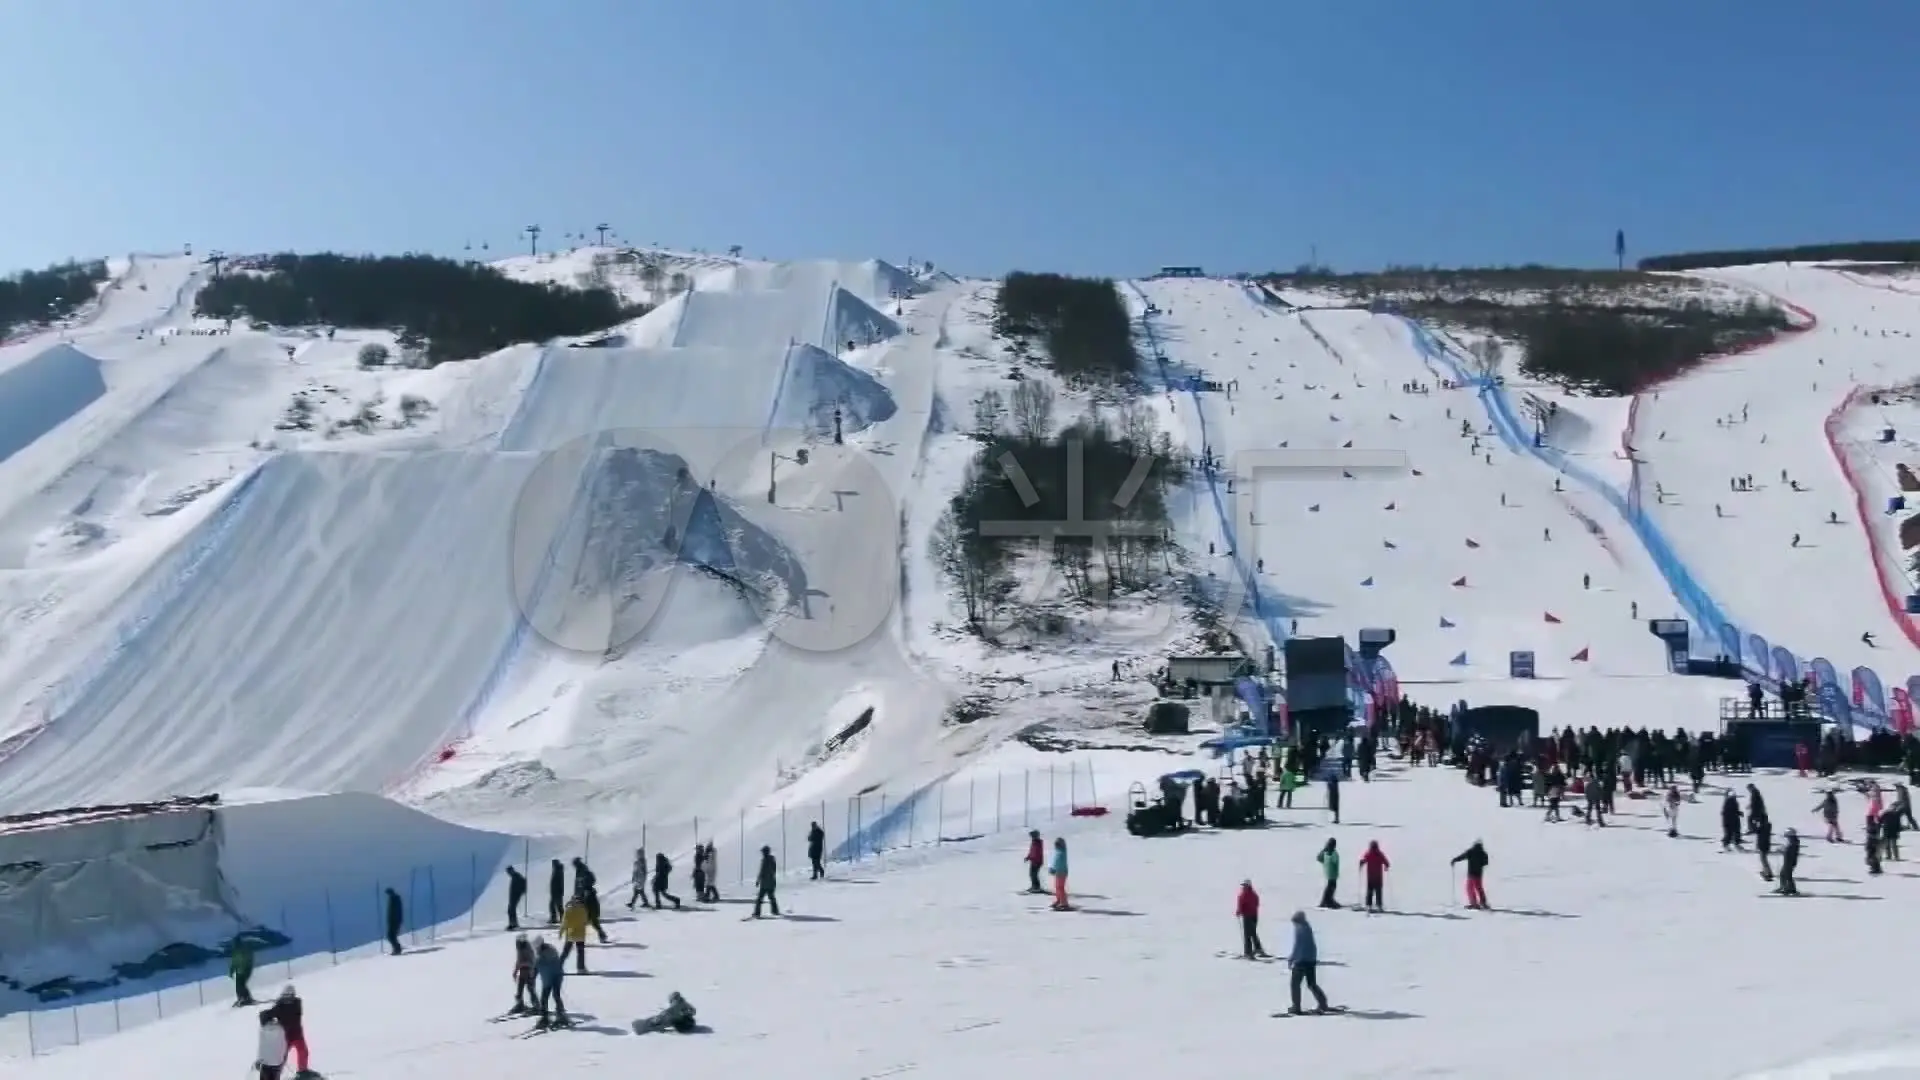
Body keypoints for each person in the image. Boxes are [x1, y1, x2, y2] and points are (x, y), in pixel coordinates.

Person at [1286, 911, 1332, 1014]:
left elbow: (1298, 945)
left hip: (1302, 961)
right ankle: (1323, 1003)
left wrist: (1292, 959)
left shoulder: (1300, 929)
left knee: (1295, 984)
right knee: (1312, 984)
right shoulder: (1307, 927)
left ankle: (1296, 1007)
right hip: (1311, 959)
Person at [264, 985, 309, 1075]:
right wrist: (265, 1015)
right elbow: (267, 1015)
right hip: (285, 1037)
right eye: (286, 997)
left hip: (297, 1035)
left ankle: (303, 1072)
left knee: (303, 1052)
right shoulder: (279, 1007)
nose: (288, 999)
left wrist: (278, 1006)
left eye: (290, 997)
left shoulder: (296, 1004)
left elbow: (292, 1015)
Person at [533, 937, 570, 1029]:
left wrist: (534, 975)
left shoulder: (547, 953)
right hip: (549, 978)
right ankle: (547, 1016)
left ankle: (559, 1014)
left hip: (554, 977)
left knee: (554, 995)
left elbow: (539, 966)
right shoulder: (542, 954)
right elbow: (536, 969)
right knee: (547, 997)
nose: (536, 949)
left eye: (537, 948)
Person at [633, 991, 698, 1034]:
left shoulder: (679, 1004)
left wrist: (685, 1014)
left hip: (683, 1024)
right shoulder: (683, 1003)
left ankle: (646, 1027)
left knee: (663, 1022)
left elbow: (666, 1012)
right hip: (683, 1022)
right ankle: (647, 1026)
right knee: (663, 1020)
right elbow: (693, 1011)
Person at [1451, 840, 1490, 909]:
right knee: (1479, 888)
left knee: (1469, 888)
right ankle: (1483, 902)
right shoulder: (1483, 853)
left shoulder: (1471, 851)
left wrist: (1454, 860)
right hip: (1479, 874)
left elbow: (1462, 857)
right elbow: (1486, 863)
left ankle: (1474, 903)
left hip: (1471, 874)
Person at [560, 895, 591, 973]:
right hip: (580, 934)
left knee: (565, 952)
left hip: (570, 934)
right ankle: (580, 968)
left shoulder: (568, 910)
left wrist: (561, 932)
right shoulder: (583, 910)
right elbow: (586, 921)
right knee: (580, 952)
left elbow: (564, 923)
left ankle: (558, 967)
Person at [1236, 880, 1266, 959]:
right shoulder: (1253, 894)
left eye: (1245, 885)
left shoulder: (1244, 895)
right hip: (1254, 916)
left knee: (1247, 934)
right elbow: (1256, 904)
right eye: (1243, 885)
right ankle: (1258, 949)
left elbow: (1241, 905)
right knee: (1252, 933)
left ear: (1248, 886)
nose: (1243, 887)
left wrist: (1239, 912)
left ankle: (1248, 952)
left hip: (1248, 916)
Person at [256, 1010, 290, 1080]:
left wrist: (259, 1060)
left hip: (265, 1063)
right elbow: (283, 1045)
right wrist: (283, 1059)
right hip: (277, 1062)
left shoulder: (263, 1030)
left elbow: (262, 1047)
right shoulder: (281, 1029)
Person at [1358, 840, 1389, 912]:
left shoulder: (1368, 854)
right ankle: (1379, 906)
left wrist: (1361, 864)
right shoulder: (1380, 854)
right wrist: (1386, 866)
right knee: (1378, 892)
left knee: (1370, 891)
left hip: (1370, 877)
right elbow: (1386, 862)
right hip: (1378, 877)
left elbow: (1363, 860)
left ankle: (1369, 905)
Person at [511, 933, 537, 1014]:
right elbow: (519, 960)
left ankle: (536, 1005)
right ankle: (520, 1004)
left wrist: (526, 967)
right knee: (520, 988)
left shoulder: (528, 949)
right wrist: (515, 971)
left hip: (529, 971)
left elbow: (532, 962)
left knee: (530, 989)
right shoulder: (519, 948)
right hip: (522, 971)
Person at [752, 845, 780, 918]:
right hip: (770, 882)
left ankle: (757, 912)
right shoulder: (771, 860)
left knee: (760, 899)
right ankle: (775, 910)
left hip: (766, 883)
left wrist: (758, 880)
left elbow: (762, 872)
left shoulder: (766, 861)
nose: (762, 853)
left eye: (763, 852)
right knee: (771, 897)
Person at [1316, 838, 1341, 909]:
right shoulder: (1334, 853)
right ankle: (1328, 901)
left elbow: (1319, 858)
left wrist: (1324, 851)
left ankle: (1327, 900)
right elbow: (1335, 861)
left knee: (1330, 887)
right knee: (1331, 887)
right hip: (1333, 873)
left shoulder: (1325, 852)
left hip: (1329, 873)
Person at [230, 940, 256, 1006]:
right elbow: (234, 963)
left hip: (245, 970)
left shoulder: (244, 951)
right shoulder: (235, 953)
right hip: (239, 971)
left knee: (241, 984)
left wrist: (244, 969)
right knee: (238, 985)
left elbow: (246, 961)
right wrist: (231, 971)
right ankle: (241, 998)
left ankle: (246, 998)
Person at [1776, 828, 1801, 896]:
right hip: (1789, 861)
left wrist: (1783, 851)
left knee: (1787, 875)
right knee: (1783, 874)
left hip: (1790, 862)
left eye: (1787, 836)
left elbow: (1789, 852)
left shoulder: (1793, 843)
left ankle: (1791, 889)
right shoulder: (1793, 842)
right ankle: (1783, 887)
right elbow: (1788, 850)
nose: (1787, 838)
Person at [1049, 837, 1070, 911]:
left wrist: (1053, 869)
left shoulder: (1061, 853)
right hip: (1059, 872)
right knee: (1057, 887)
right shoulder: (1058, 851)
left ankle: (1064, 903)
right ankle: (1059, 900)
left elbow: (1058, 863)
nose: (1056, 845)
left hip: (1061, 872)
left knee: (1060, 887)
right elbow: (1056, 862)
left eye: (1057, 844)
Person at [505, 866, 527, 930]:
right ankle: (513, 923)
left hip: (515, 896)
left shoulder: (517, 876)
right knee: (511, 910)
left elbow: (523, 883)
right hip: (513, 896)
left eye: (508, 872)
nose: (508, 873)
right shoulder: (515, 876)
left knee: (511, 910)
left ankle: (513, 924)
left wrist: (519, 892)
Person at [384, 887, 405, 955]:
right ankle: (396, 949)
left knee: (391, 936)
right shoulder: (393, 899)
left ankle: (397, 949)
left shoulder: (394, 899)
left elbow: (395, 911)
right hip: (393, 921)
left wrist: (394, 920)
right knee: (391, 936)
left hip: (395, 921)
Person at [548, 859, 566, 924]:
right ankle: (560, 919)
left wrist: (559, 891)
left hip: (557, 892)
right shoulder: (557, 870)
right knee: (557, 906)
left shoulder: (558, 870)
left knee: (555, 905)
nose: (552, 865)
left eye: (553, 863)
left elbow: (558, 882)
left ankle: (556, 919)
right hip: (556, 892)